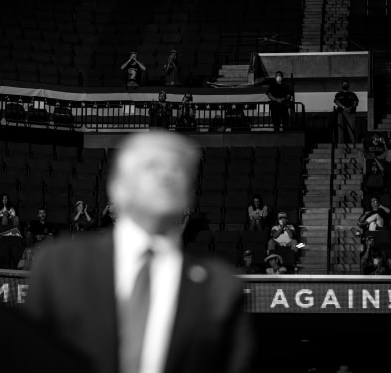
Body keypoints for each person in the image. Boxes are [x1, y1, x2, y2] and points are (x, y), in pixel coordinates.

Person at [26, 130, 254, 373]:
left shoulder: (221, 288)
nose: (166, 175)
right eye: (152, 166)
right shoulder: (59, 265)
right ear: (118, 188)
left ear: (189, 195)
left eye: (178, 169)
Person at [334, 79, 359, 143]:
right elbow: (336, 102)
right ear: (342, 85)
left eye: (346, 84)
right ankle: (340, 143)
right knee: (340, 128)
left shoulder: (352, 94)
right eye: (344, 84)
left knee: (351, 128)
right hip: (341, 113)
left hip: (351, 112)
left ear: (348, 85)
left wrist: (351, 107)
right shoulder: (338, 94)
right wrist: (344, 107)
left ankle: (353, 143)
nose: (345, 85)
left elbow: (355, 102)